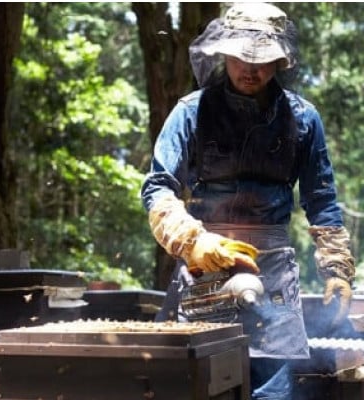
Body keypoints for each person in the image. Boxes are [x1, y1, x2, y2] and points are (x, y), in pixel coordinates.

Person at [141, 3, 355, 400]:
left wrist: (337, 270)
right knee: (193, 384)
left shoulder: (304, 119)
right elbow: (157, 187)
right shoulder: (191, 112)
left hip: (273, 275)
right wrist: (193, 241)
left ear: (281, 59)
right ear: (223, 51)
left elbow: (321, 200)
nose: (250, 68)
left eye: (263, 59)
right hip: (202, 272)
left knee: (274, 393)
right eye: (241, 56)